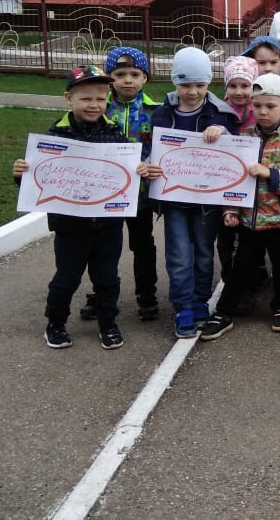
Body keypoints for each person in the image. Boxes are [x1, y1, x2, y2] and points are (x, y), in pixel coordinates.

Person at [13, 65, 153, 350]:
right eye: (86, 98)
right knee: (66, 278)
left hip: (108, 225)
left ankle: (108, 324)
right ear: (69, 98)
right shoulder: (56, 136)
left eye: (100, 99)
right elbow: (41, 176)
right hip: (70, 226)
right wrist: (21, 174)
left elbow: (126, 170)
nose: (94, 105)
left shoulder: (113, 132)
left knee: (108, 279)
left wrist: (138, 169)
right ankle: (55, 323)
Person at [198, 73, 280, 338]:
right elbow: (230, 178)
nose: (263, 111)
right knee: (238, 269)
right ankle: (224, 312)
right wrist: (231, 210)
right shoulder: (243, 139)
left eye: (270, 106)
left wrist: (271, 174)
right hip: (248, 222)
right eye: (257, 105)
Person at [150, 47, 239, 339]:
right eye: (185, 84)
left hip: (206, 202)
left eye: (200, 85)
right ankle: (183, 307)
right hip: (175, 200)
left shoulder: (219, 113)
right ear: (174, 81)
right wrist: (148, 165)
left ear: (209, 82)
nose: (192, 91)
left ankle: (200, 300)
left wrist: (223, 134)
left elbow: (237, 152)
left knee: (203, 253)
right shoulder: (162, 113)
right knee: (178, 256)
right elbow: (153, 150)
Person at [77, 46, 160, 324]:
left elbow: (161, 150)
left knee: (142, 245)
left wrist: (148, 165)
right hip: (103, 195)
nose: (127, 80)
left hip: (140, 196)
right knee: (102, 248)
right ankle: (100, 294)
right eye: (120, 74)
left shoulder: (155, 112)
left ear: (144, 78)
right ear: (110, 77)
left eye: (135, 74)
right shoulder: (99, 108)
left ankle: (146, 295)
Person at [215, 56, 263, 308]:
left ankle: (250, 284)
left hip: (256, 187)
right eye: (233, 86)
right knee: (226, 241)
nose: (239, 92)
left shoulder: (260, 112)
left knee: (250, 241)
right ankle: (232, 285)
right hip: (226, 188)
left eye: (245, 86)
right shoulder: (218, 112)